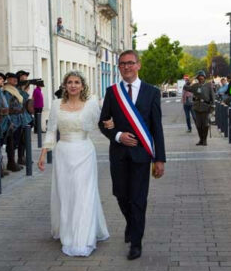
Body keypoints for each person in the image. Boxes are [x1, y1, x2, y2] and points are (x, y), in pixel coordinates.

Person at [98, 49, 166, 260]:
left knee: (138, 199)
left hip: (141, 155)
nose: (126, 67)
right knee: (120, 195)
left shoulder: (151, 92)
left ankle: (136, 242)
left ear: (138, 65)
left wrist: (159, 159)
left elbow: (157, 128)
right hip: (118, 154)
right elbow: (103, 123)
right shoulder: (112, 92)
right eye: (122, 64)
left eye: (130, 63)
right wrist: (117, 135)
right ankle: (131, 223)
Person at [37, 71, 109, 257]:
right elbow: (52, 130)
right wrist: (44, 153)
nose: (73, 85)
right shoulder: (56, 105)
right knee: (67, 193)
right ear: (65, 85)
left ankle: (83, 238)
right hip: (63, 153)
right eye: (70, 82)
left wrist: (113, 126)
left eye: (77, 82)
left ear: (82, 86)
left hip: (84, 151)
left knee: (83, 193)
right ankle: (67, 231)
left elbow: (102, 123)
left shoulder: (91, 105)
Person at [186, 70, 215, 146]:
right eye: (199, 77)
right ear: (197, 78)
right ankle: (201, 139)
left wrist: (213, 106)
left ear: (204, 77)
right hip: (197, 107)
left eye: (202, 77)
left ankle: (205, 140)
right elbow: (186, 88)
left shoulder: (209, 85)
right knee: (198, 125)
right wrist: (189, 81)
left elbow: (213, 96)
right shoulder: (195, 86)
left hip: (206, 107)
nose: (200, 78)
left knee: (205, 125)